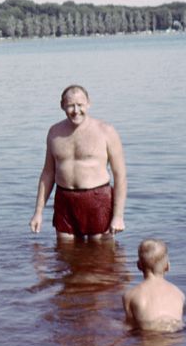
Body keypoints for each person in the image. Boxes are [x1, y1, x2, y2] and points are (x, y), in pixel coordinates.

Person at [29, 85, 126, 239]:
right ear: (62, 106)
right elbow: (48, 173)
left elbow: (120, 175)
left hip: (97, 199)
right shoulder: (54, 132)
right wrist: (38, 212)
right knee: (64, 256)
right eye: (70, 105)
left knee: (102, 256)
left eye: (80, 105)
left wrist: (118, 216)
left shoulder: (106, 131)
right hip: (64, 200)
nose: (76, 110)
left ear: (88, 103)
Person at [123, 239, 185, 331]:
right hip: (175, 336)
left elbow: (130, 326)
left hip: (149, 336)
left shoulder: (130, 295)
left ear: (139, 266)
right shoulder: (179, 294)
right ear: (168, 266)